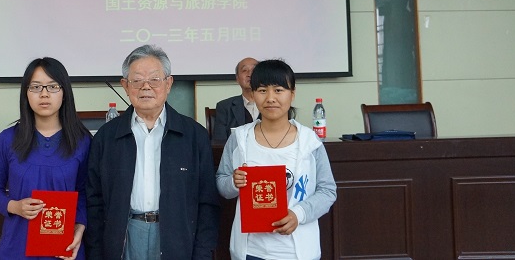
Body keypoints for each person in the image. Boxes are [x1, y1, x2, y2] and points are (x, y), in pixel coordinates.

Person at [86, 44, 220, 260]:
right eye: (137, 80)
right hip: (124, 235)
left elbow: (207, 203)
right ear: (125, 86)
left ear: (169, 84)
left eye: (154, 79)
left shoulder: (194, 135)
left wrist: (202, 254)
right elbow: (94, 201)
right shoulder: (106, 137)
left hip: (177, 237)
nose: (146, 87)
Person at [216, 59, 336, 260]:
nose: (270, 98)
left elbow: (327, 191)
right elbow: (222, 183)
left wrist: (298, 214)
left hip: (297, 252)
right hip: (251, 251)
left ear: (292, 94)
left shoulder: (309, 141)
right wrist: (233, 183)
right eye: (262, 90)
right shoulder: (239, 138)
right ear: (253, 94)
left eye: (279, 90)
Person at [0, 57, 91, 260]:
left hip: (64, 247)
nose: (44, 94)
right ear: (26, 93)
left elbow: (85, 193)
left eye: (53, 86)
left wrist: (80, 226)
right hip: (17, 246)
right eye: (35, 87)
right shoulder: (7, 139)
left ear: (64, 93)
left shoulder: (82, 141)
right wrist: (15, 206)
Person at [213, 57, 259, 142]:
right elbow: (219, 142)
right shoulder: (224, 107)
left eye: (254, 70)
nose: (249, 74)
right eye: (244, 70)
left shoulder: (273, 104)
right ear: (237, 79)